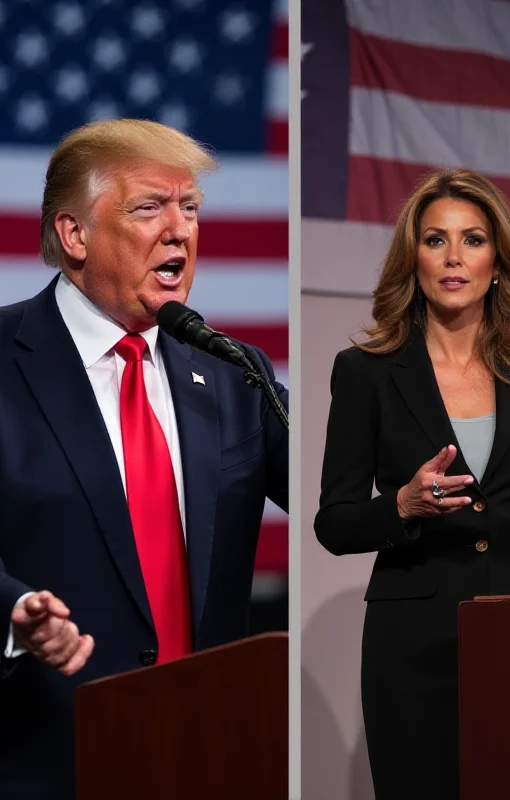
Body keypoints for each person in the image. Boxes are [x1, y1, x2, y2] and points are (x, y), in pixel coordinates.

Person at [0, 118, 288, 800]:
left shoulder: (230, 373)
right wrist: (11, 612)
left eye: (189, 208)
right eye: (149, 208)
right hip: (46, 760)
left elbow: (328, 483)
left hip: (208, 756)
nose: (180, 230)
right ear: (74, 235)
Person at [314, 168, 510, 800]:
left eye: (472, 239)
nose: (454, 257)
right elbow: (334, 521)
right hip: (413, 642)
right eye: (435, 240)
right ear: (413, 259)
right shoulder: (365, 372)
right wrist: (404, 506)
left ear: (498, 261)